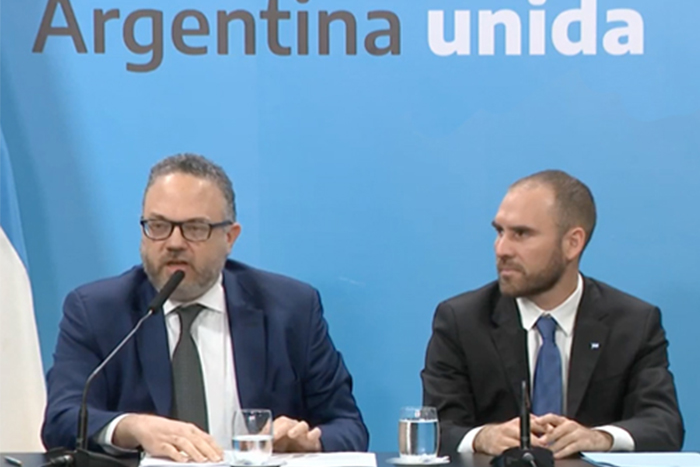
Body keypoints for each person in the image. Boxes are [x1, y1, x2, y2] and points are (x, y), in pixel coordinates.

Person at [42, 153, 368, 461]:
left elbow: (348, 426)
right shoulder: (97, 311)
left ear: (230, 237)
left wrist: (309, 441)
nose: (174, 243)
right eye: (158, 226)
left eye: (195, 228)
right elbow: (61, 420)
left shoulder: (290, 309)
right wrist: (132, 426)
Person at [421, 170, 683, 458]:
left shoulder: (632, 323)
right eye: (499, 232)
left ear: (573, 243)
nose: (502, 249)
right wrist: (483, 437)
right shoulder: (462, 321)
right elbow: (438, 427)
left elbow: (664, 425)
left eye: (521, 234)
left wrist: (600, 438)